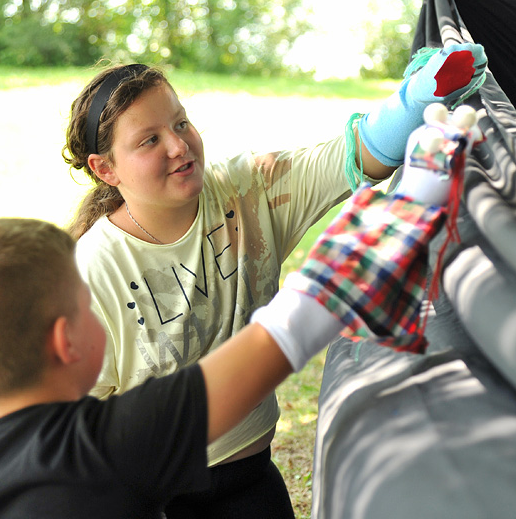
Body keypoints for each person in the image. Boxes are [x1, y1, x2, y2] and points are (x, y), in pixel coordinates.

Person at [60, 45, 486, 517]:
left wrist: (422, 94)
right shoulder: (90, 273)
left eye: (181, 123)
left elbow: (357, 153)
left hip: (252, 480)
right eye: (149, 141)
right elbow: (74, 430)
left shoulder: (246, 191)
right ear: (105, 168)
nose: (178, 146)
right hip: (151, 499)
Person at [0, 152, 449, 518]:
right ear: (66, 341)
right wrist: (416, 195)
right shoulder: (112, 445)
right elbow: (290, 331)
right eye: (85, 305)